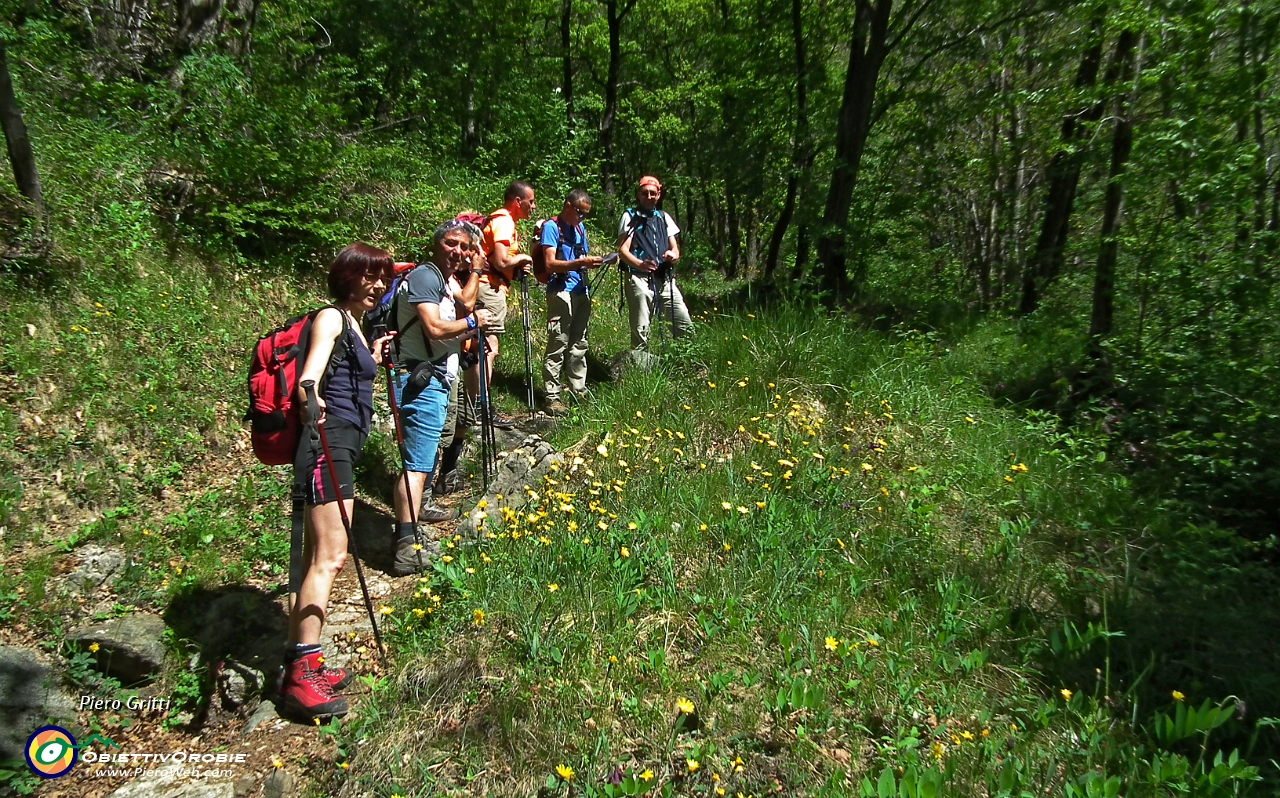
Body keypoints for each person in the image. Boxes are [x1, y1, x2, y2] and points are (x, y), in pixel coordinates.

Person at [283, 243, 395, 720]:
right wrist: (311, 395)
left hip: (342, 443)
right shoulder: (330, 317)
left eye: (383, 278)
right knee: (330, 555)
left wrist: (372, 353)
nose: (379, 286)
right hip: (327, 444)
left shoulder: (353, 324)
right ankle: (300, 677)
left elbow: (346, 370)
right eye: (371, 277)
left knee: (317, 557)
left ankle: (304, 661)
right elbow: (310, 376)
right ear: (348, 276)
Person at [389, 220, 492, 577]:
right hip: (421, 377)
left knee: (421, 458)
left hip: (434, 376)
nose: (459, 252)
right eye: (452, 244)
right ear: (436, 244)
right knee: (416, 465)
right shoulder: (424, 276)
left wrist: (474, 273)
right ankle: (405, 544)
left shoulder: (443, 279)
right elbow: (433, 326)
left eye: (465, 247)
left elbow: (463, 302)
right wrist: (473, 323)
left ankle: (411, 530)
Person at [467, 181, 536, 428]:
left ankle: (474, 404)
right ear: (518, 201)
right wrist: (523, 257)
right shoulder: (505, 221)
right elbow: (500, 260)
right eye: (531, 201)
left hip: (485, 285)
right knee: (488, 347)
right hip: (490, 287)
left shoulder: (499, 220)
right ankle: (480, 406)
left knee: (479, 345)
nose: (533, 206)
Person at [540, 189, 603, 415]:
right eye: (580, 213)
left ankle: (578, 389)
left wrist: (593, 262)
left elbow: (581, 259)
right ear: (568, 205)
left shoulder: (580, 228)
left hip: (581, 290)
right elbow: (549, 264)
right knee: (558, 342)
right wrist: (579, 262)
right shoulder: (551, 227)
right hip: (561, 291)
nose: (582, 218)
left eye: (586, 214)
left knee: (579, 343)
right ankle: (552, 396)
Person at [616, 175, 693, 350]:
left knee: (683, 322)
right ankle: (640, 365)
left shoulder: (664, 217)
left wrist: (672, 255)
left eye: (653, 193)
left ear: (659, 194)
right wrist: (639, 264)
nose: (649, 197)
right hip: (638, 278)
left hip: (664, 278)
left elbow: (675, 249)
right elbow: (622, 249)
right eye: (645, 193)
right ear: (638, 194)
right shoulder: (630, 216)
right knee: (641, 325)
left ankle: (688, 359)